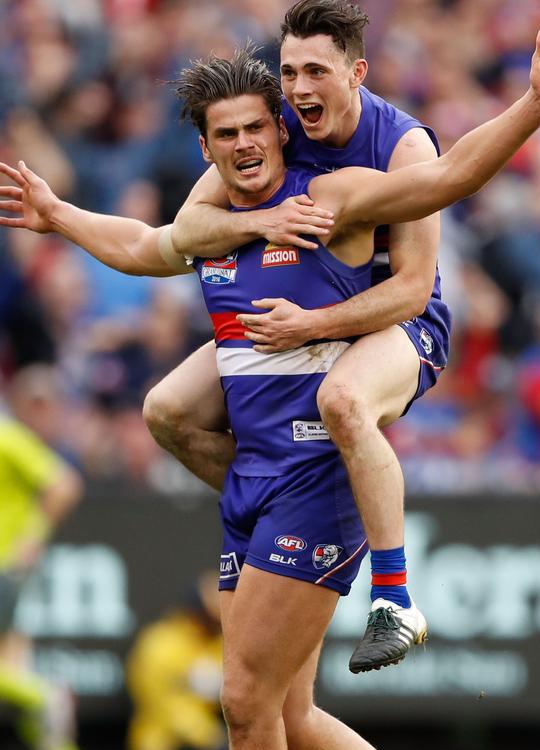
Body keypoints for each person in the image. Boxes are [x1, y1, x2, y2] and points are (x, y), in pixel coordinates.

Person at [0, 16, 540, 750]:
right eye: (225, 135)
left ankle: (394, 596)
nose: (244, 144)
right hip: (257, 481)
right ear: (208, 150)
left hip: (315, 476)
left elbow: (449, 183)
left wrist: (534, 104)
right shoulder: (215, 223)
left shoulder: (334, 198)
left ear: (281, 126)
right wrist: (59, 215)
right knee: (284, 715)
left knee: (243, 699)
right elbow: (145, 245)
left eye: (254, 126)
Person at [147, 0, 448, 674]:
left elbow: (412, 290)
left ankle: (395, 597)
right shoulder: (272, 129)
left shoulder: (403, 146)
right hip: (302, 321)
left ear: (356, 73)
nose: (301, 89)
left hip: (395, 324)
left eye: (316, 70)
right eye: (289, 73)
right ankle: (290, 504)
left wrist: (310, 324)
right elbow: (189, 228)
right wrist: (262, 224)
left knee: (341, 402)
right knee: (166, 411)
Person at [0, 365, 100, 750]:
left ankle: (47, 695)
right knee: (9, 671)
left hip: (3, 567)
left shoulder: (9, 439)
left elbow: (64, 484)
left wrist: (31, 538)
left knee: (14, 678)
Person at [126, 571, 226, 750]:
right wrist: (208, 737)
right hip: (165, 744)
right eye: (211, 618)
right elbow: (162, 705)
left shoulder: (222, 645)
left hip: (213, 737)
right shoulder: (161, 643)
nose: (218, 625)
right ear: (194, 611)